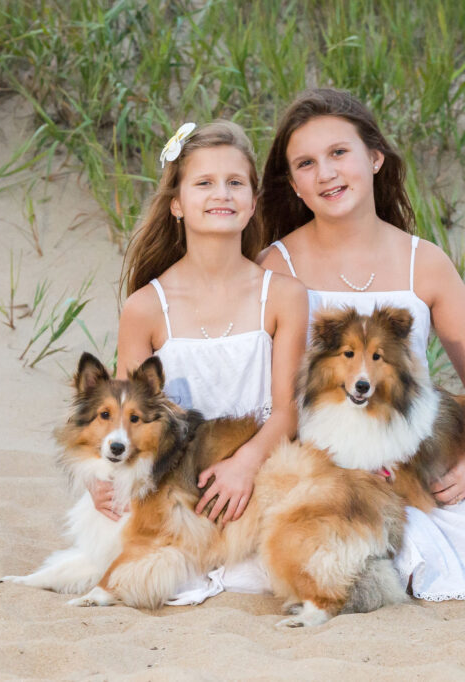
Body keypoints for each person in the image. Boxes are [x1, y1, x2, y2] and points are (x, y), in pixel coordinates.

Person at [258, 88, 465, 600]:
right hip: (319, 467)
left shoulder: (426, 263)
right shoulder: (276, 266)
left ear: (374, 158)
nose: (325, 172)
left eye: (338, 153)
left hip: (411, 473)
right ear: (294, 185)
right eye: (306, 163)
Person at [100, 120, 308, 603]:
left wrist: (244, 465)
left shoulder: (281, 296)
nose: (222, 194)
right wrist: (104, 479)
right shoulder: (146, 308)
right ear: (177, 203)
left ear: (254, 201)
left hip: (257, 470)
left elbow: (286, 411)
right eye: (204, 183)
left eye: (236, 182)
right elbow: (129, 420)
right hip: (174, 482)